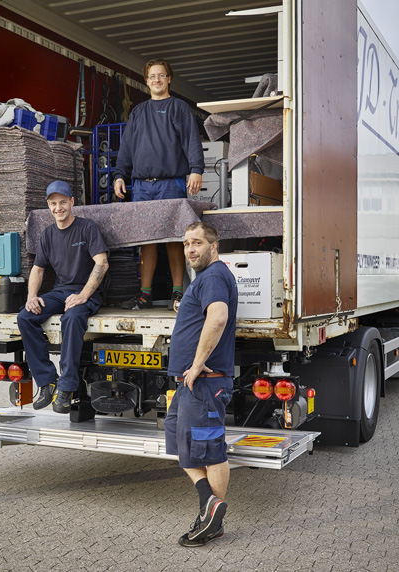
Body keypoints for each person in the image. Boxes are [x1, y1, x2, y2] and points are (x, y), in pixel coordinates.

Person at [164, 222, 238, 547]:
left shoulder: (215, 276)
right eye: (185, 244)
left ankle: (212, 522)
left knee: (211, 451)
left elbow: (218, 317)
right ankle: (210, 502)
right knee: (176, 441)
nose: (190, 249)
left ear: (213, 245)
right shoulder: (204, 279)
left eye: (197, 242)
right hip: (189, 384)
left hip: (205, 382)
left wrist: (195, 365)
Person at [113, 58, 205, 311]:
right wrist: (120, 174)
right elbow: (127, 148)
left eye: (161, 75)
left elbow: (191, 141)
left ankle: (178, 294)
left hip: (170, 182)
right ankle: (145, 295)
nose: (156, 80)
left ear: (169, 79)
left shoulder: (179, 108)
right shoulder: (138, 112)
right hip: (141, 186)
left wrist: (196, 169)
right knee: (147, 241)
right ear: (146, 81)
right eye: (152, 76)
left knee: (174, 239)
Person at [18, 180, 109, 414]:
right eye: (53, 203)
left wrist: (84, 295)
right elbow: (38, 269)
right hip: (60, 292)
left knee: (72, 318)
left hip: (87, 292)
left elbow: (102, 262)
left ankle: (67, 387)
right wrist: (32, 296)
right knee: (26, 317)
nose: (58, 208)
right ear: (48, 206)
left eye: (62, 202)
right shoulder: (47, 234)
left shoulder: (87, 228)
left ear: (72, 202)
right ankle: (47, 382)